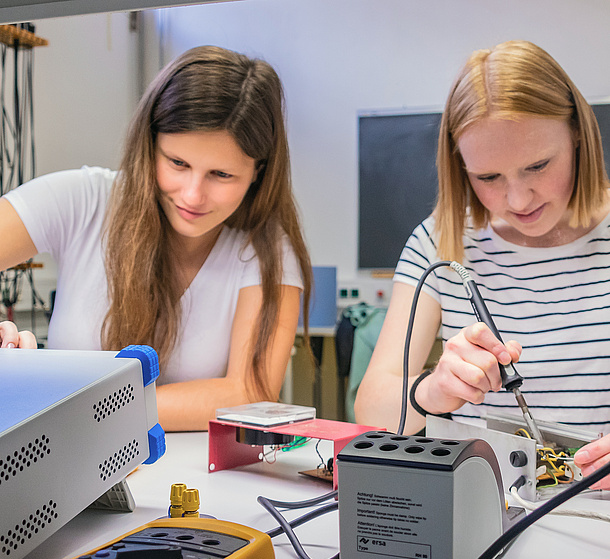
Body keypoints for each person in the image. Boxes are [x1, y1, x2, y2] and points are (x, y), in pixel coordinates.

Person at [0, 45, 312, 432]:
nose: (193, 195)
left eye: (221, 175)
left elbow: (248, 391)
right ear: (149, 145)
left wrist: (83, 408)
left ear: (258, 173)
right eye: (177, 163)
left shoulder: (268, 250)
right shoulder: (81, 198)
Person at [354, 40, 610, 489]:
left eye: (537, 165)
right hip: (486, 511)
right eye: (488, 177)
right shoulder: (438, 242)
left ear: (577, 134)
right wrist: (434, 391)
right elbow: (372, 409)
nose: (518, 199)